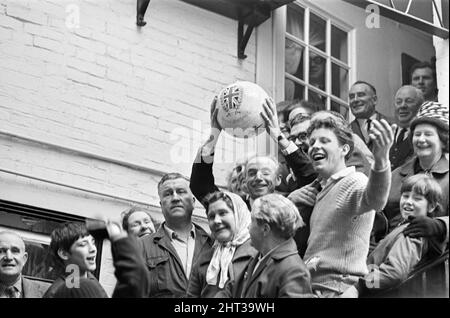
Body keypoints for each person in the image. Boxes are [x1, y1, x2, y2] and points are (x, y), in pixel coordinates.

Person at [288, 115, 393, 297]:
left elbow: (376, 200)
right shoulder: (321, 190)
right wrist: (290, 201)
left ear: (344, 149)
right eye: (312, 142)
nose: (315, 146)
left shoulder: (353, 181)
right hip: (311, 288)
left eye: (325, 140)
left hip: (336, 289)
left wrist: (382, 159)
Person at [344, 174, 444, 296]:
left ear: (431, 206)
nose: (408, 202)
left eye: (417, 199)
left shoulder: (413, 233)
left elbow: (394, 273)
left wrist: (359, 287)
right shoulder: (404, 226)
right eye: (405, 196)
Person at [190, 96, 283, 209]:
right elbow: (200, 185)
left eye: (265, 172)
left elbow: (307, 176)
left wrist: (279, 137)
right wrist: (214, 135)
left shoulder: (290, 205)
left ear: (278, 179)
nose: (258, 177)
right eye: (251, 173)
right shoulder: (231, 209)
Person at [382, 101, 449, 251]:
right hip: (389, 259)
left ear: (443, 141)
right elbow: (377, 220)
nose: (421, 139)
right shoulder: (395, 176)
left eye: (428, 134)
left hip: (431, 267)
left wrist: (440, 225)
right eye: (417, 134)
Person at [222, 193, 312, 298]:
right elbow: (233, 289)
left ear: (265, 229)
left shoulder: (294, 270)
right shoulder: (259, 256)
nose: (248, 227)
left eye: (252, 221)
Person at [139, 172, 213, 297]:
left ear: (193, 201)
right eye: (168, 194)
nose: (175, 198)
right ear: (161, 205)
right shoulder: (142, 247)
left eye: (181, 191)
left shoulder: (213, 244)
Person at [187, 191, 257, 297]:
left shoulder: (258, 254)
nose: (216, 221)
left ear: (239, 214)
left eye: (223, 213)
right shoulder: (204, 260)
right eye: (211, 216)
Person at [43, 222, 107, 298]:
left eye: (93, 242)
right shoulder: (56, 293)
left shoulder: (92, 280)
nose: (93, 249)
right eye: (83, 244)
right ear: (64, 254)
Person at [0, 231, 50, 298]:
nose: (9, 257)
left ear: (24, 259)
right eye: (1, 251)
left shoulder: (48, 291)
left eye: (15, 251)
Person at [389, 85, 424, 170]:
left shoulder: (424, 136)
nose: (402, 106)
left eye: (409, 101)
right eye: (398, 102)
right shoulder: (388, 132)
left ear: (420, 106)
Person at [348, 81, 390, 149]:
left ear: (374, 100)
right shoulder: (345, 133)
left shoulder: (391, 125)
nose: (355, 100)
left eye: (361, 95)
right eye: (351, 97)